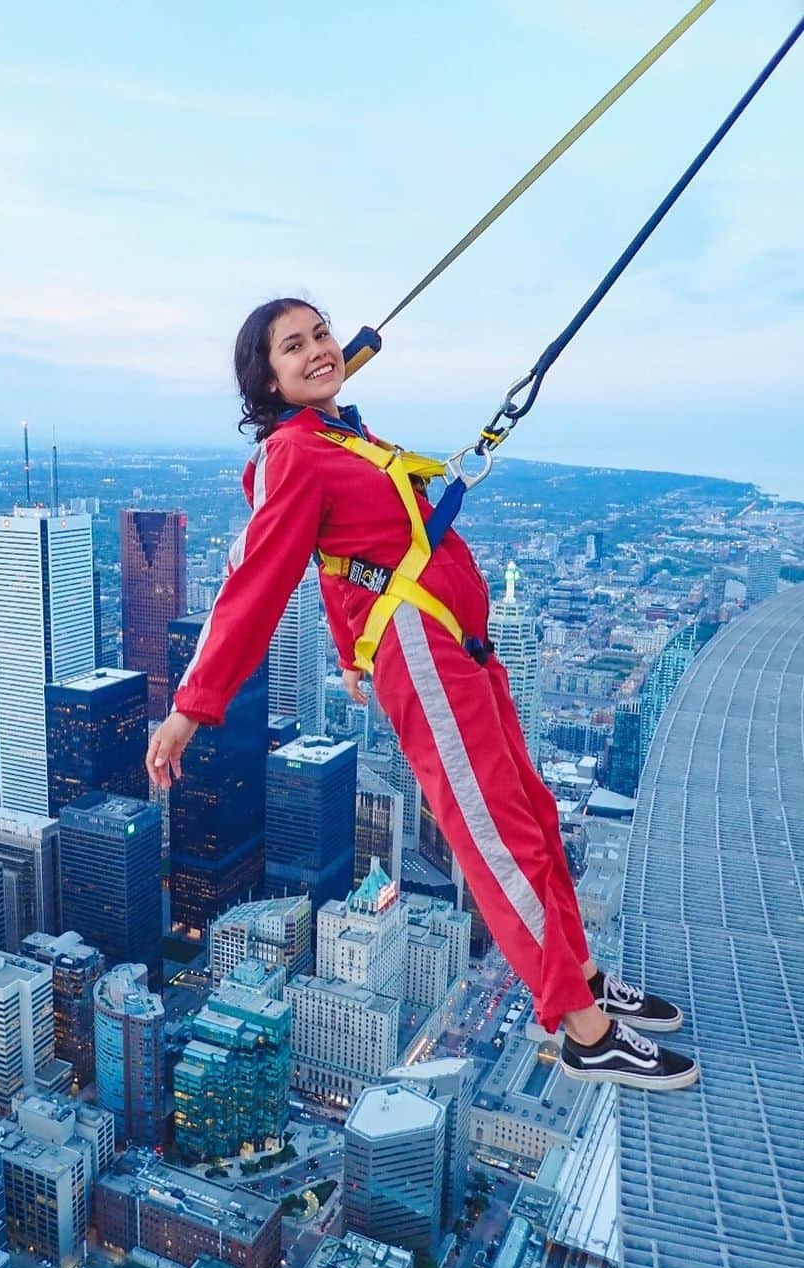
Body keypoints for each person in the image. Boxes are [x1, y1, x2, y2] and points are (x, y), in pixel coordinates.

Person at [146, 297, 698, 1092]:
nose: (316, 351)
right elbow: (258, 579)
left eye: (321, 334)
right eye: (292, 347)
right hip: (425, 652)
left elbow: (345, 559)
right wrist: (194, 706)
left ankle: (580, 973)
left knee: (534, 816)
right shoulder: (292, 454)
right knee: (497, 836)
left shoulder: (343, 434)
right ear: (266, 380)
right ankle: (583, 1030)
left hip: (455, 647)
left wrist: (347, 654)